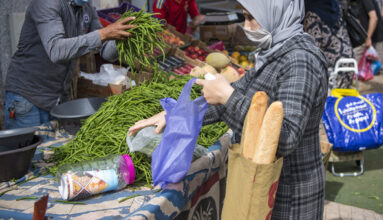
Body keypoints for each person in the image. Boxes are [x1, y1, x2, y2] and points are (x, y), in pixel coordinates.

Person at [130, 0, 329, 219]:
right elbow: (236, 92)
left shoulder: (300, 59)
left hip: (291, 197)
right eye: (245, 17)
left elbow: (287, 137)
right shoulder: (276, 51)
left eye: (251, 17)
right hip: (269, 186)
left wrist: (228, 97)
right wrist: (176, 114)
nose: (247, 26)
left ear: (275, 12)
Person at [3, 0, 136, 130]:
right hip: (27, 97)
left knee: (53, 148)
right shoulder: (47, 3)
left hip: (56, 99)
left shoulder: (86, 8)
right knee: (30, 150)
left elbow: (104, 50)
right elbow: (56, 51)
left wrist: (122, 38)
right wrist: (103, 34)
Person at [303, 0, 354, 88]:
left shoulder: (312, 13)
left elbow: (313, 49)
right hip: (348, 60)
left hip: (332, 70)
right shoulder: (335, 5)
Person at [353, 0, 383, 78]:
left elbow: (374, 18)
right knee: (354, 59)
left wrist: (368, 38)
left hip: (376, 37)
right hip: (366, 37)